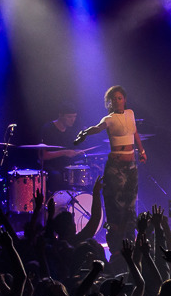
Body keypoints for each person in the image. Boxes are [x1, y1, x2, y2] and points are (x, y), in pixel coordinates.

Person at [74, 85, 147, 240]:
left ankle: (130, 237)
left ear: (124, 100)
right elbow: (98, 127)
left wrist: (142, 151)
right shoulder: (110, 118)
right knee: (117, 204)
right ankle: (117, 239)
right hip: (116, 166)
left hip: (131, 164)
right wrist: (85, 133)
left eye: (119, 98)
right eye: (113, 99)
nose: (117, 101)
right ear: (110, 103)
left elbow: (135, 133)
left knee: (130, 203)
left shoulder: (131, 113)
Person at [39, 103, 84, 192]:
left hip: (66, 166)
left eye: (74, 117)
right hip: (51, 166)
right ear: (60, 115)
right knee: (57, 176)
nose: (73, 120)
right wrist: (64, 152)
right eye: (69, 117)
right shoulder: (48, 129)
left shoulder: (70, 131)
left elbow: (69, 151)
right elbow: (43, 156)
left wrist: (76, 152)